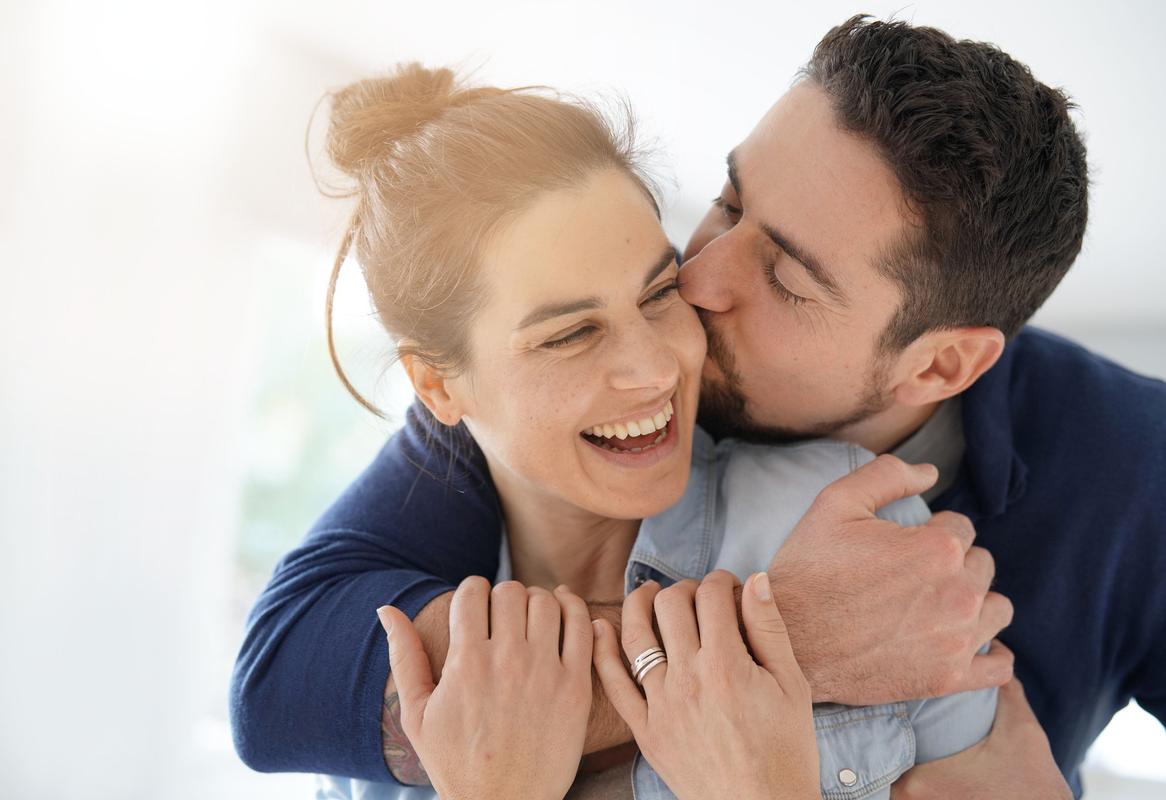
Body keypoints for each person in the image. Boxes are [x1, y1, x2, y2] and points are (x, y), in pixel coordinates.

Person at [232, 15, 1166, 799]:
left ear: (942, 366)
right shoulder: (573, 405)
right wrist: (783, 638)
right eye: (728, 201)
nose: (699, 281)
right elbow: (282, 680)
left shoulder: (1136, 467)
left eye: (788, 277)